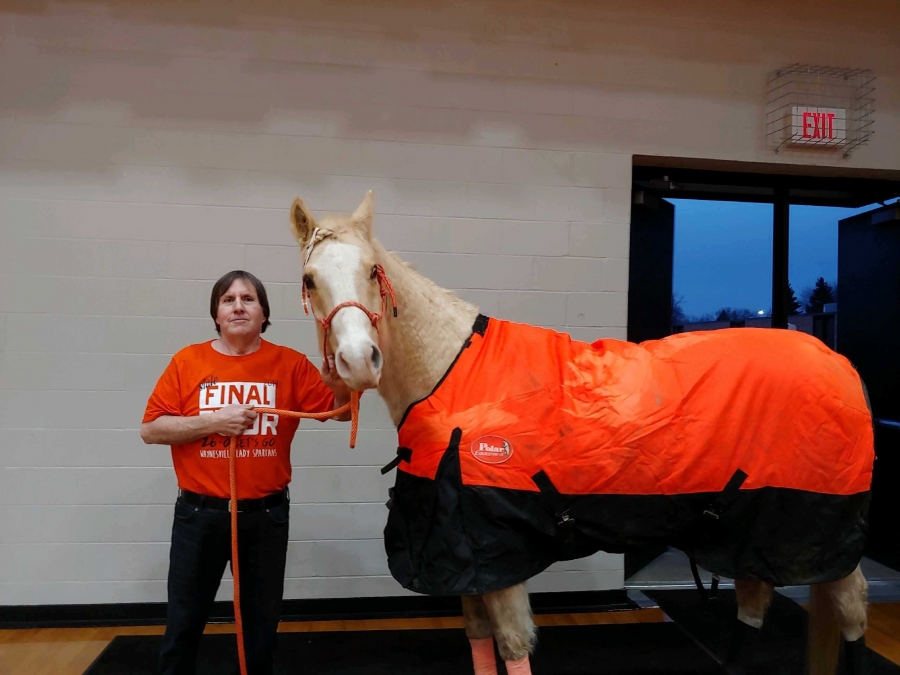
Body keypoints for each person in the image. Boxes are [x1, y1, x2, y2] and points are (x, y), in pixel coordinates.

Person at [140, 269, 351, 675]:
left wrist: (339, 386)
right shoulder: (187, 362)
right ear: (216, 315)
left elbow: (338, 414)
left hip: (265, 517)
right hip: (199, 516)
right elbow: (150, 430)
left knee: (260, 626)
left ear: (264, 313)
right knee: (184, 620)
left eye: (248, 299)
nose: (238, 306)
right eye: (228, 300)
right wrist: (213, 422)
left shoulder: (289, 363)